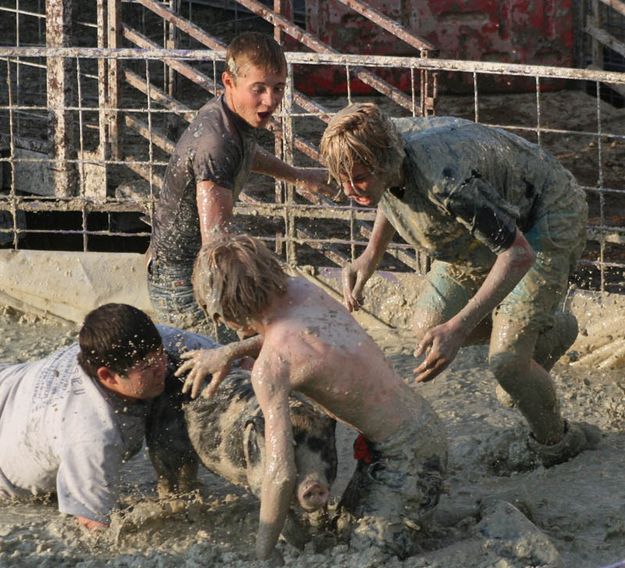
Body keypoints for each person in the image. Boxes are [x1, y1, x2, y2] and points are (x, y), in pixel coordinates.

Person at [318, 102, 600, 468]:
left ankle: (558, 443)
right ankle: (545, 330)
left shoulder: (447, 183)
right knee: (427, 328)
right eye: (342, 179)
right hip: (487, 220)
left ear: (385, 161)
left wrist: (460, 326)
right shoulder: (377, 142)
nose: (350, 190)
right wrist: (369, 257)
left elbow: (517, 254)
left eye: (357, 178)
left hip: (543, 212)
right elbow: (388, 193)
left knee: (508, 363)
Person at [181, 233, 447, 562]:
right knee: (344, 531)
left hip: (406, 458)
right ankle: (440, 509)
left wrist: (262, 553)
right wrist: (230, 351)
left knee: (362, 558)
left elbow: (280, 475)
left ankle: (488, 531)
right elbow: (296, 336)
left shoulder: (271, 368)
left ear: (224, 314)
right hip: (420, 428)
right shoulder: (303, 290)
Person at [148, 31, 334, 334]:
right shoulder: (216, 143)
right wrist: (242, 314)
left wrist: (300, 176)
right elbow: (215, 243)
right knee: (229, 374)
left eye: (278, 88)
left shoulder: (232, 117)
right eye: (258, 89)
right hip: (184, 281)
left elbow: (246, 154)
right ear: (228, 82)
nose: (270, 100)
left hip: (190, 270)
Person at [0, 303, 218, 530]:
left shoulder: (140, 343)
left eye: (160, 355)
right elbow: (93, 524)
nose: (161, 367)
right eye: (146, 367)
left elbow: (233, 359)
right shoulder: (91, 434)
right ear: (108, 376)